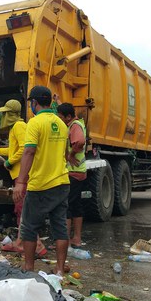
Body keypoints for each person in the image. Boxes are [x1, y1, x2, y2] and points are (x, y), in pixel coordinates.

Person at [13, 85, 70, 275]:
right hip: (62, 183)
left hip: (41, 184)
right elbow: (66, 153)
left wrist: (20, 182)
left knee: (29, 226)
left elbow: (29, 151)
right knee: (60, 226)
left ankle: (29, 267)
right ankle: (60, 270)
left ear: (34, 103)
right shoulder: (62, 124)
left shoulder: (35, 123)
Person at [0, 99, 47, 257]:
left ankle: (37, 246)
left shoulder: (19, 126)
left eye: (5, 113)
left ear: (10, 114)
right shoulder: (15, 128)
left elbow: (25, 149)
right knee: (22, 210)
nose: (3, 116)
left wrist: (10, 162)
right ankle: (20, 243)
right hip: (20, 176)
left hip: (22, 176)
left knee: (23, 211)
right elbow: (13, 150)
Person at [56, 102, 87, 248]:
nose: (58, 119)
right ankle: (76, 238)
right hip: (78, 172)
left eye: (60, 116)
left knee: (67, 205)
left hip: (74, 172)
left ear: (68, 116)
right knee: (76, 205)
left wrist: (70, 154)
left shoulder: (74, 126)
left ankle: (67, 239)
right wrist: (58, 100)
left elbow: (80, 141)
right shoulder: (76, 122)